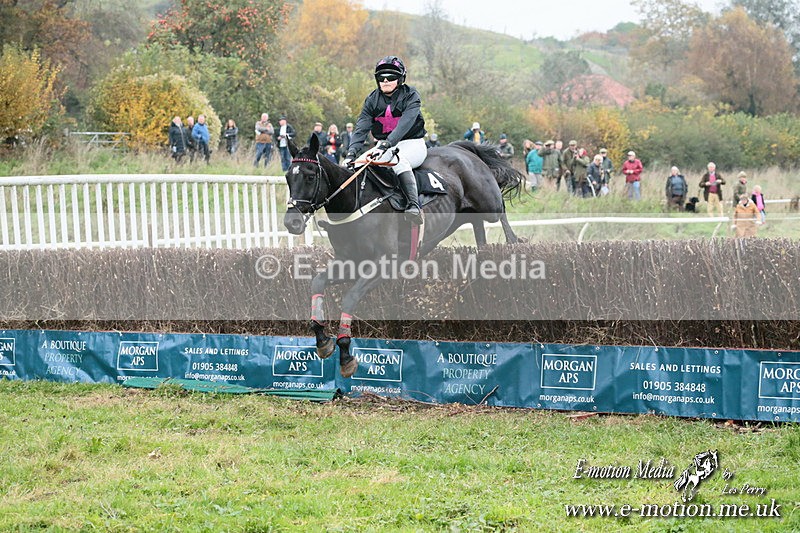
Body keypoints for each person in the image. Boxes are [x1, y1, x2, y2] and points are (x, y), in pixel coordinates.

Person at [344, 55, 427, 225]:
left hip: (412, 143)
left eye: (391, 77)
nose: (386, 80)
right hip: (385, 145)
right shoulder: (372, 100)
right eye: (381, 77)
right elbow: (361, 127)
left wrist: (388, 143)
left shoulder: (411, 96)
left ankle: (413, 206)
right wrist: (351, 153)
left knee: (399, 162)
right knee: (358, 165)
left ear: (401, 78)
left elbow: (406, 123)